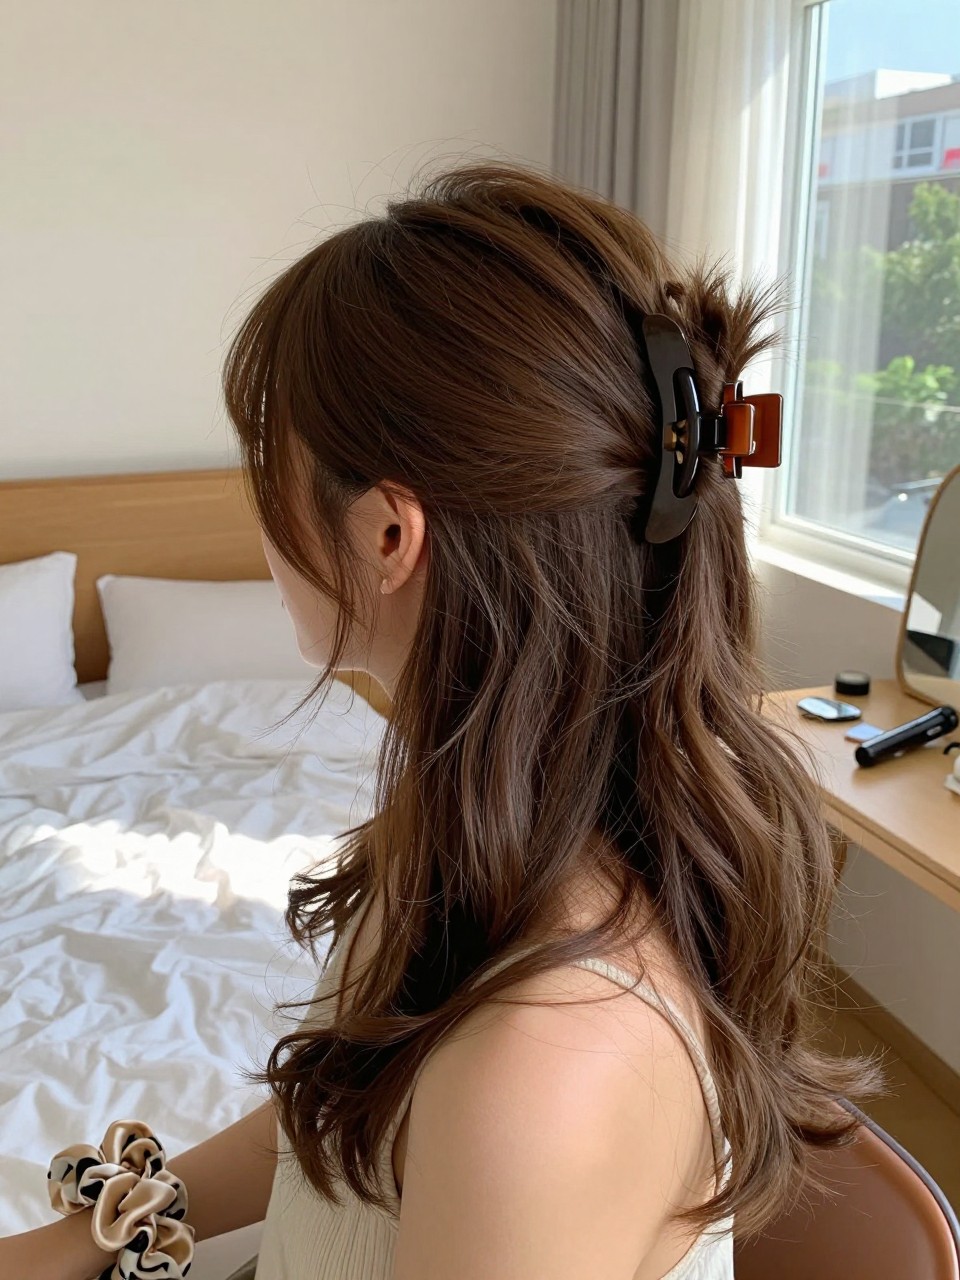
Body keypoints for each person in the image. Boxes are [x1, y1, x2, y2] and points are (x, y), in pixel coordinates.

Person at [3, 162, 877, 1280]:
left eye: (272, 463)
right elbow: (355, 1103)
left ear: (385, 535)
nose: (260, 509)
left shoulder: (545, 1058)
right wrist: (92, 1228)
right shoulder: (501, 826)